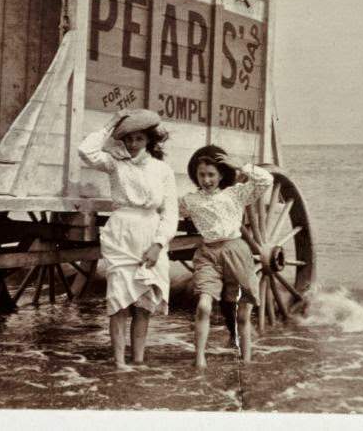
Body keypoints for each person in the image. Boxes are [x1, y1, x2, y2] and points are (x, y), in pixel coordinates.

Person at [78, 108, 178, 369]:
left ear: (149, 141)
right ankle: (120, 362)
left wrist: (158, 245)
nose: (133, 144)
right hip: (121, 234)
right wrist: (111, 124)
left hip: (150, 234)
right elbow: (86, 151)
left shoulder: (162, 170)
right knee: (119, 301)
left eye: (139, 139)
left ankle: (139, 359)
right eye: (129, 139)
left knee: (144, 304)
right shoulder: (115, 164)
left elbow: (170, 213)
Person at [179, 145, 274, 368]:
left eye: (211, 174)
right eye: (202, 174)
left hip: (236, 251)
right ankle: (199, 360)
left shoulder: (235, 193)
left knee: (242, 314)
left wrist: (240, 166)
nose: (206, 179)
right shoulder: (190, 200)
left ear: (221, 175)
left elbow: (266, 180)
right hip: (208, 253)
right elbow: (167, 211)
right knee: (203, 305)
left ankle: (246, 360)